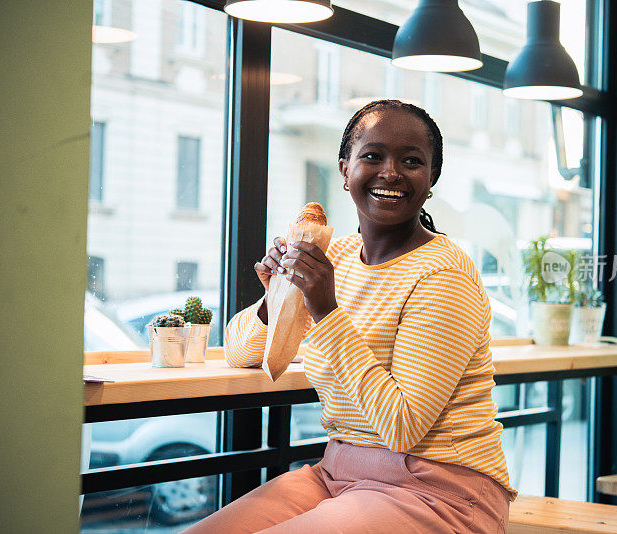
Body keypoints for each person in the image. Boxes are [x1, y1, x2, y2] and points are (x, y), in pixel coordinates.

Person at [184, 100, 517, 534]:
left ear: (431, 181)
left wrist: (325, 308)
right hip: (336, 472)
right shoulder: (334, 256)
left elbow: (402, 425)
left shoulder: (445, 273)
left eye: (412, 161)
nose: (391, 172)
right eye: (372, 156)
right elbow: (240, 352)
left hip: (439, 489)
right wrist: (277, 297)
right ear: (345, 170)